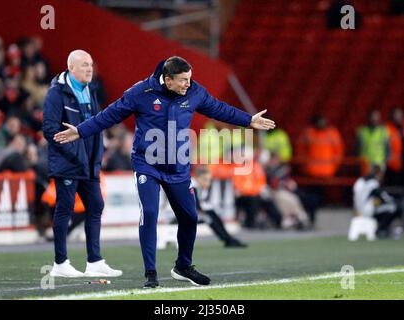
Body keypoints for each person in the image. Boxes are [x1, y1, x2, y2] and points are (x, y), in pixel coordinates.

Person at [53, 56, 275, 288]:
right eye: (183, 80)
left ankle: (183, 266)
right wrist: (80, 131)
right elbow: (109, 115)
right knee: (149, 213)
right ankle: (151, 273)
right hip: (147, 165)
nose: (188, 84)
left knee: (190, 217)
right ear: (167, 80)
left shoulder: (194, 92)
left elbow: (219, 109)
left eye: (189, 79)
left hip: (178, 167)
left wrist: (248, 120)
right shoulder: (141, 92)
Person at [42, 49, 122, 278]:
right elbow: (50, 130)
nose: (90, 69)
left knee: (96, 206)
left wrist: (97, 155)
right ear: (72, 68)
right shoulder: (56, 94)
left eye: (91, 64)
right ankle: (60, 263)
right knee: (64, 210)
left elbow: (96, 124)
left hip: (90, 163)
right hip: (68, 163)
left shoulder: (90, 89)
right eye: (85, 65)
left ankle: (94, 260)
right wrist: (74, 155)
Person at [192, 165, 247, 248]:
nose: (208, 183)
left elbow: (200, 204)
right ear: (197, 178)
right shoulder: (192, 187)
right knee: (210, 218)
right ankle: (227, 239)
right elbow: (196, 206)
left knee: (212, 215)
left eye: (209, 180)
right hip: (180, 215)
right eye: (205, 180)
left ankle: (228, 239)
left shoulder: (198, 187)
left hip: (193, 212)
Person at [353, 165, 404, 238]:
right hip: (368, 211)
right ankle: (381, 229)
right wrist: (394, 200)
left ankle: (382, 229)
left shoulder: (359, 181)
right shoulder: (373, 183)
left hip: (358, 210)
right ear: (379, 173)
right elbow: (382, 197)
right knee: (394, 207)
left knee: (386, 207)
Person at [385, 107, 404, 186]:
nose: (399, 117)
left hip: (402, 163)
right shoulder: (387, 128)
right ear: (392, 116)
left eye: (400, 114)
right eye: (396, 114)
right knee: (393, 187)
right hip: (391, 165)